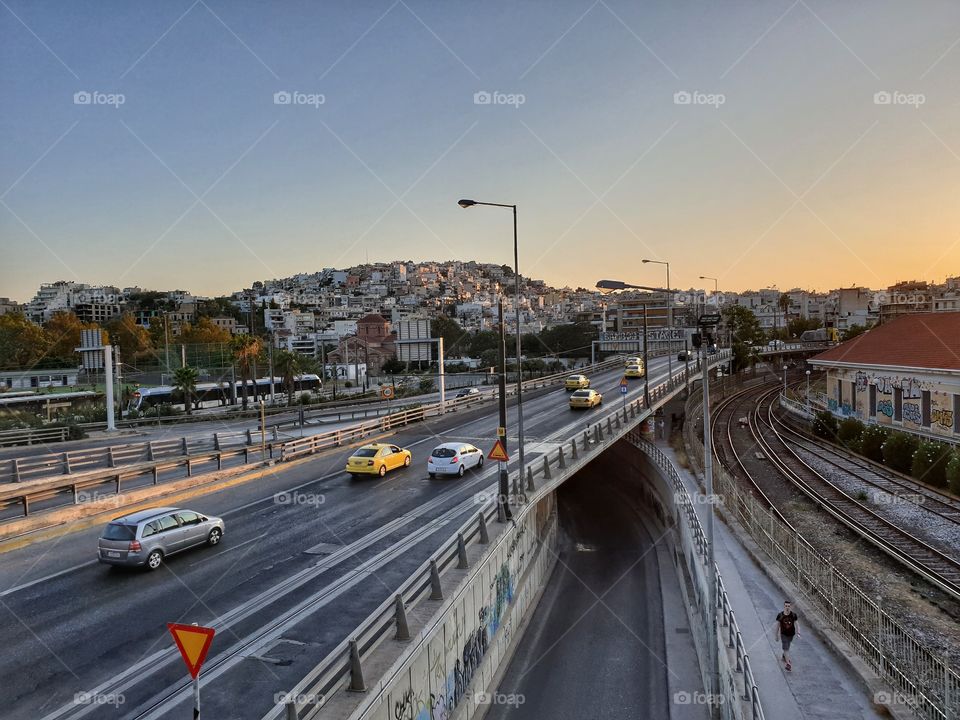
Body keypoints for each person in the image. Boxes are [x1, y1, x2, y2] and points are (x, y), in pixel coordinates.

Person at [775, 600, 799, 671]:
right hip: (783, 634)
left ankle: (784, 656)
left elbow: (797, 624)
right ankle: (788, 663)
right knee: (786, 648)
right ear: (784, 606)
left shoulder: (793, 615)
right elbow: (777, 626)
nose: (787, 607)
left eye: (788, 606)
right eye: (786, 606)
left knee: (787, 646)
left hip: (791, 634)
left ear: (790, 607)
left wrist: (798, 632)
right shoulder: (780, 615)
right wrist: (776, 635)